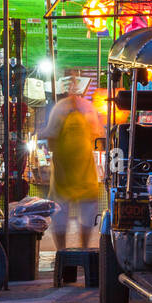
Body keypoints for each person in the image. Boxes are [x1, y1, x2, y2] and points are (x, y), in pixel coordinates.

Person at [43, 93, 103, 252]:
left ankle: (84, 251)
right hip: (63, 172)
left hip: (84, 172)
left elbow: (96, 135)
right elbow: (51, 139)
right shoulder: (59, 109)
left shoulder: (87, 109)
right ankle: (62, 253)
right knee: (60, 216)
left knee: (87, 213)